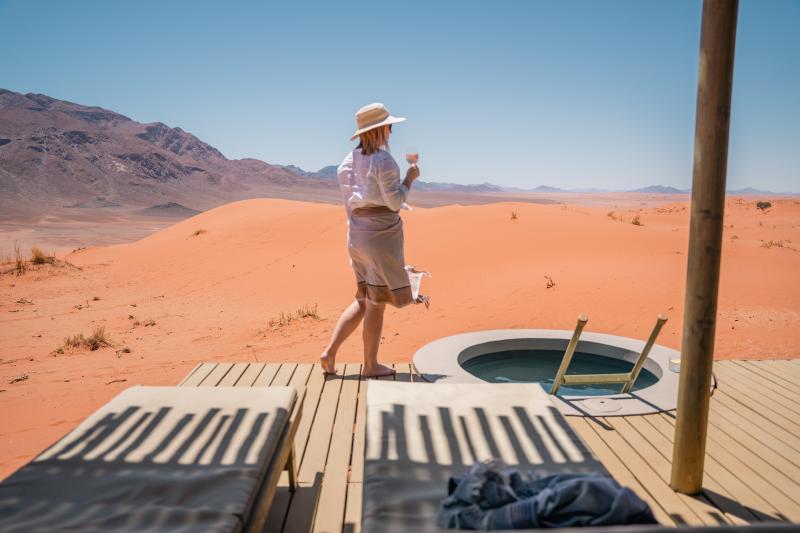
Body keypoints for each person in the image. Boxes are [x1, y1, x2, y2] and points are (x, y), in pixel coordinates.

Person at [320, 102, 422, 377]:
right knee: (376, 304)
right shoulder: (384, 161)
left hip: (357, 236)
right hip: (380, 236)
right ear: (380, 130)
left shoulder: (348, 161)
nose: (390, 131)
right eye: (388, 126)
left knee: (364, 298)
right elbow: (394, 202)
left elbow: (348, 203)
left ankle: (329, 353)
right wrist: (411, 178)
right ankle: (371, 365)